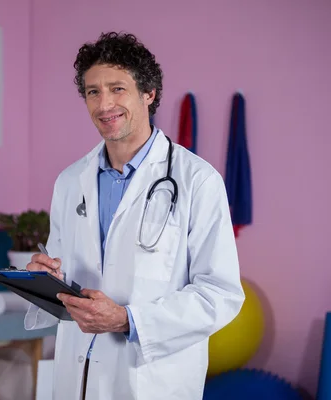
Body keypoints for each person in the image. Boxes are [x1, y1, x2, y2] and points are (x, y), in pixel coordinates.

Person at [24, 31, 245, 400]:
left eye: (117, 88)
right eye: (93, 91)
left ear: (149, 93)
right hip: (78, 374)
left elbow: (219, 294)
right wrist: (45, 280)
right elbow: (64, 274)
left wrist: (128, 320)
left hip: (149, 380)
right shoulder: (69, 181)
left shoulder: (198, 181)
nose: (104, 103)